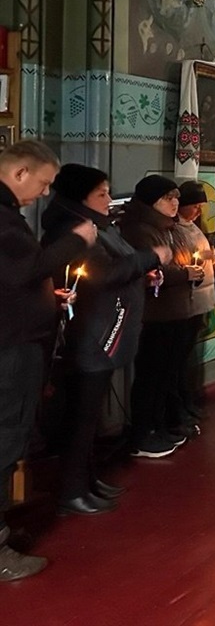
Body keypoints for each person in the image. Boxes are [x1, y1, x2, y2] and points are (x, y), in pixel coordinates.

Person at [41, 165, 170, 515]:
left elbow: (119, 266)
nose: (109, 199)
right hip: (89, 334)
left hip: (102, 329)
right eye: (102, 193)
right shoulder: (73, 229)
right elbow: (101, 275)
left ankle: (86, 479)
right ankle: (71, 490)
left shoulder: (98, 226)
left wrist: (142, 273)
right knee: (80, 416)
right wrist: (150, 258)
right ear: (81, 196)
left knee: (90, 416)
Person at [0, 141, 96, 580]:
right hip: (10, 351)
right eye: (42, 184)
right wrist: (75, 242)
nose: (44, 194)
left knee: (12, 441)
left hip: (17, 343)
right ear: (20, 173)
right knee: (4, 443)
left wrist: (45, 298)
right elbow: (27, 267)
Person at [119, 175, 201, 459]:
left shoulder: (168, 227)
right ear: (152, 201)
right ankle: (144, 433)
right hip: (155, 315)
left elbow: (173, 260)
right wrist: (184, 273)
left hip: (175, 311)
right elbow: (151, 268)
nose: (175, 203)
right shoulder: (140, 229)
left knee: (167, 374)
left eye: (176, 197)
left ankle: (161, 425)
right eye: (169, 198)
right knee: (150, 375)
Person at [175, 181, 215, 423]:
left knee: (190, 356)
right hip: (186, 302)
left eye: (201, 206)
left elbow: (199, 257)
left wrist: (214, 264)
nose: (199, 211)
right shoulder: (174, 229)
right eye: (195, 206)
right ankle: (181, 405)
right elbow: (183, 261)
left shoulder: (194, 227)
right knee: (181, 358)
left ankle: (189, 401)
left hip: (201, 299)